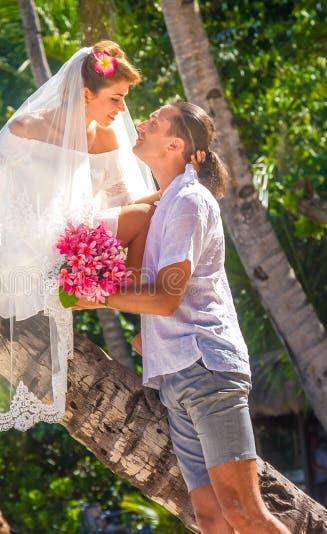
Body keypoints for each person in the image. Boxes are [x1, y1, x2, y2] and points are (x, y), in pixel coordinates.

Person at [73, 102, 291, 533]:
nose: (140, 122)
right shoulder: (168, 201)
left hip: (205, 368)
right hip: (177, 374)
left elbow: (165, 299)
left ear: (175, 144)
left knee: (246, 515)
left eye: (153, 122)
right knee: (211, 518)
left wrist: (97, 294)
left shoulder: (190, 202)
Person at [0, 42, 155, 431]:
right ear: (85, 93)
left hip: (70, 248)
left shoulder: (111, 140)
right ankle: (116, 297)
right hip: (25, 243)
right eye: (116, 98)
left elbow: (125, 203)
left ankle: (134, 307)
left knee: (147, 215)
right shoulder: (26, 127)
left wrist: (167, 194)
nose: (122, 110)